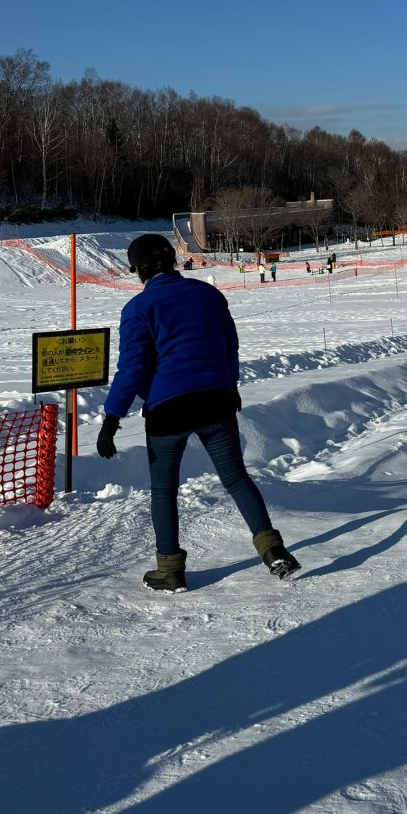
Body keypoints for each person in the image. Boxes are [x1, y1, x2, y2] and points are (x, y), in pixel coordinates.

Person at [95, 233, 299, 591]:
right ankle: (273, 550)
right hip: (215, 401)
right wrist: (229, 385)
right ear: (173, 261)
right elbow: (229, 346)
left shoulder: (139, 309)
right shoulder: (209, 294)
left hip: (167, 410)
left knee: (164, 491)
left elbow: (132, 368)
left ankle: (170, 570)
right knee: (236, 478)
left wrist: (112, 418)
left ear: (139, 269)